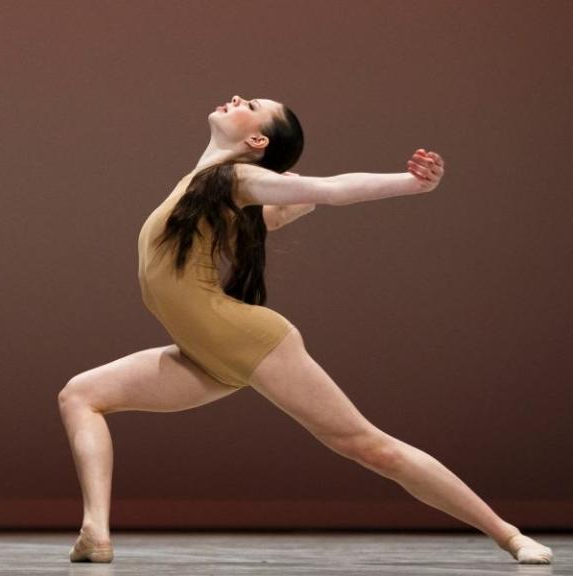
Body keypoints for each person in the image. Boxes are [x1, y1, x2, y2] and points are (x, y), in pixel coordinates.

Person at [57, 95, 553, 565]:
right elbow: (284, 211)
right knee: (81, 395)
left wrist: (411, 183)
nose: (237, 98)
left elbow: (329, 190)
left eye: (251, 107)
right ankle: (95, 532)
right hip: (204, 355)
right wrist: (291, 208)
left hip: (247, 339)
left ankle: (509, 535)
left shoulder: (237, 178)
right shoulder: (206, 187)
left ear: (257, 143)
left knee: (367, 445)